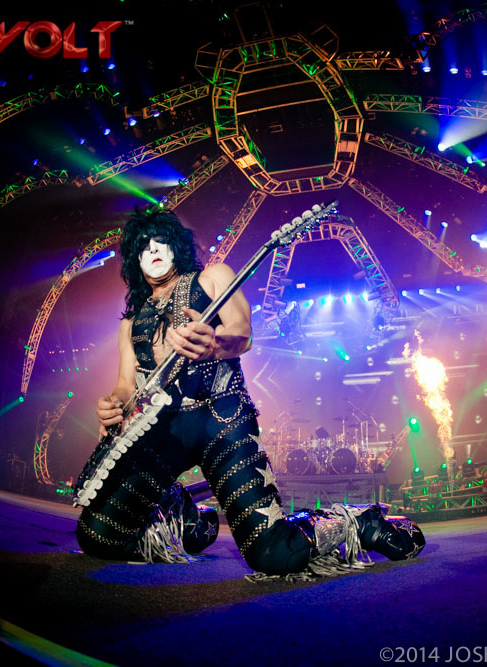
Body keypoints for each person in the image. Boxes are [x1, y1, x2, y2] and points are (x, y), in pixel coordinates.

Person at [74, 207, 424, 577]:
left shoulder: (213, 278)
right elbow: (125, 386)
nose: (154, 250)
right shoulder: (131, 324)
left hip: (223, 422)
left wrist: (214, 344)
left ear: (176, 246)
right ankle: (183, 513)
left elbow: (242, 331)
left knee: (271, 553)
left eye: (161, 241)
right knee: (96, 536)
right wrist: (112, 404)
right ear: (135, 261)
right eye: (144, 247)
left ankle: (359, 522)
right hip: (164, 431)